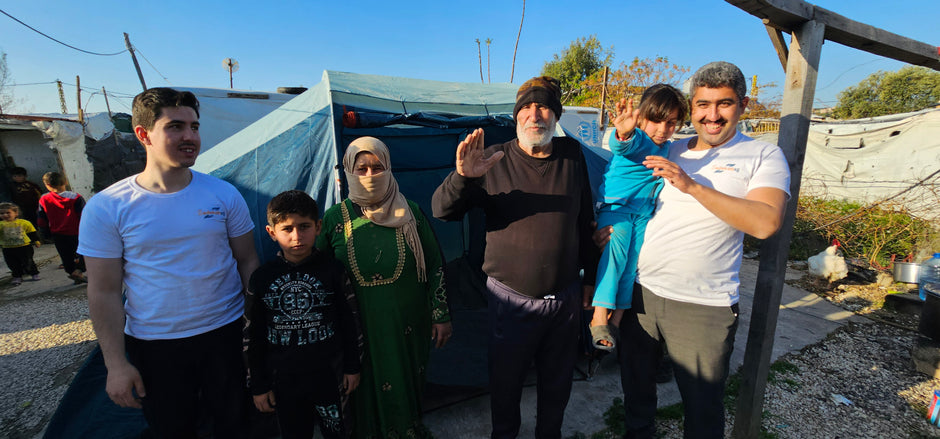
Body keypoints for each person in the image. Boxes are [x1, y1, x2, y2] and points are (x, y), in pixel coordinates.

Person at [602, 61, 790, 438]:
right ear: (692, 107)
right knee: (636, 394)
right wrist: (607, 225)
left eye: (724, 103)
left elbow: (765, 223)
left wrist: (692, 187)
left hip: (703, 306)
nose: (712, 115)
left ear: (743, 105)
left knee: (702, 407)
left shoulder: (762, 156)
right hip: (642, 293)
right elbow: (622, 170)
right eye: (703, 104)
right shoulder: (669, 147)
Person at [79, 87, 260, 439]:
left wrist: (254, 331)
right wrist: (116, 364)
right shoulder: (108, 207)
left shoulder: (223, 194)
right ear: (143, 134)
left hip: (226, 336)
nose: (190, 136)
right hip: (156, 346)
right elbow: (103, 291)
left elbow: (248, 261)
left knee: (235, 427)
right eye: (175, 126)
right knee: (172, 430)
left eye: (194, 126)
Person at [432, 76, 598, 439]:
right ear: (516, 115)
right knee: (506, 386)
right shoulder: (493, 159)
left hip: (565, 300)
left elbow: (585, 219)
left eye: (544, 107)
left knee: (557, 385)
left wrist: (590, 278)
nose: (534, 115)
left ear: (556, 116)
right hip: (510, 302)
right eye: (526, 107)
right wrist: (462, 178)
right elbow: (442, 211)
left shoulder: (572, 155)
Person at [316, 136, 452, 439]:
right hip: (358, 329)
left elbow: (434, 264)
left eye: (377, 168)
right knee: (363, 389)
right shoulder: (334, 218)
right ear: (349, 171)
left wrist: (441, 314)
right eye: (361, 168)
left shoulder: (411, 213)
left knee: (406, 383)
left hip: (408, 325)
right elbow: (318, 273)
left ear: (389, 169)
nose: (369, 175)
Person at [247, 190, 363, 439]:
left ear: (318, 226)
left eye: (304, 226)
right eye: (287, 229)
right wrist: (258, 385)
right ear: (271, 232)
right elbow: (252, 335)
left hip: (330, 378)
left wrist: (353, 366)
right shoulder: (262, 278)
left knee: (338, 432)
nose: (297, 236)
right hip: (283, 381)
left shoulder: (333, 270)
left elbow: (350, 321)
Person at [588, 84, 687, 351]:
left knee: (632, 264)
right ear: (642, 118)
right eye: (656, 120)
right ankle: (599, 315)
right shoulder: (640, 139)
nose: (662, 129)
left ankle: (617, 319)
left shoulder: (668, 148)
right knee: (615, 257)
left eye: (671, 123)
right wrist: (624, 132)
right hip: (617, 208)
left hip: (643, 213)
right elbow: (622, 145)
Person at [37, 171, 87, 283]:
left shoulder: (44, 199)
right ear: (66, 182)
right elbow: (84, 215)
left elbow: (41, 219)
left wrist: (45, 234)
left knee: (65, 255)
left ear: (47, 185)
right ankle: (79, 270)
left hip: (58, 233)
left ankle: (72, 271)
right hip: (77, 232)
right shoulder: (76, 197)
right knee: (83, 252)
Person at [0, 202, 41, 285]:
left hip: (24, 246)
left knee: (28, 261)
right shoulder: (1, 225)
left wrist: (36, 241)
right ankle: (17, 276)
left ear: (16, 213)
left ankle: (34, 273)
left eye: (8, 212)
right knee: (12, 264)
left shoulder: (24, 223)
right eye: (2, 213)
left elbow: (31, 232)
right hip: (8, 248)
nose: (5, 215)